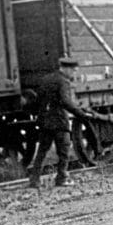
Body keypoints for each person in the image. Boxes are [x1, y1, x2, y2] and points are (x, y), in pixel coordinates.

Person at [29, 56, 93, 188]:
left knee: (42, 151)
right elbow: (65, 101)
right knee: (64, 152)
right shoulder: (63, 82)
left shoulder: (45, 80)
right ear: (66, 69)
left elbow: (37, 101)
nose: (74, 73)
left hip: (45, 121)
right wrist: (81, 114)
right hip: (59, 122)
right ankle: (62, 178)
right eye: (73, 70)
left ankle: (34, 180)